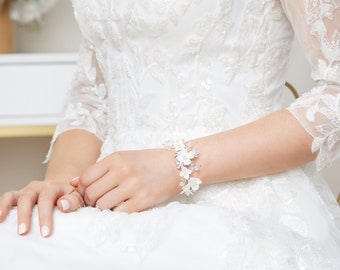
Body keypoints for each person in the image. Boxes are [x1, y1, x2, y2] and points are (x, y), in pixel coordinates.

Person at [0, 0, 339, 269]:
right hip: (108, 200)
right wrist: (63, 188)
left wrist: (178, 165)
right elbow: (92, 92)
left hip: (242, 200)